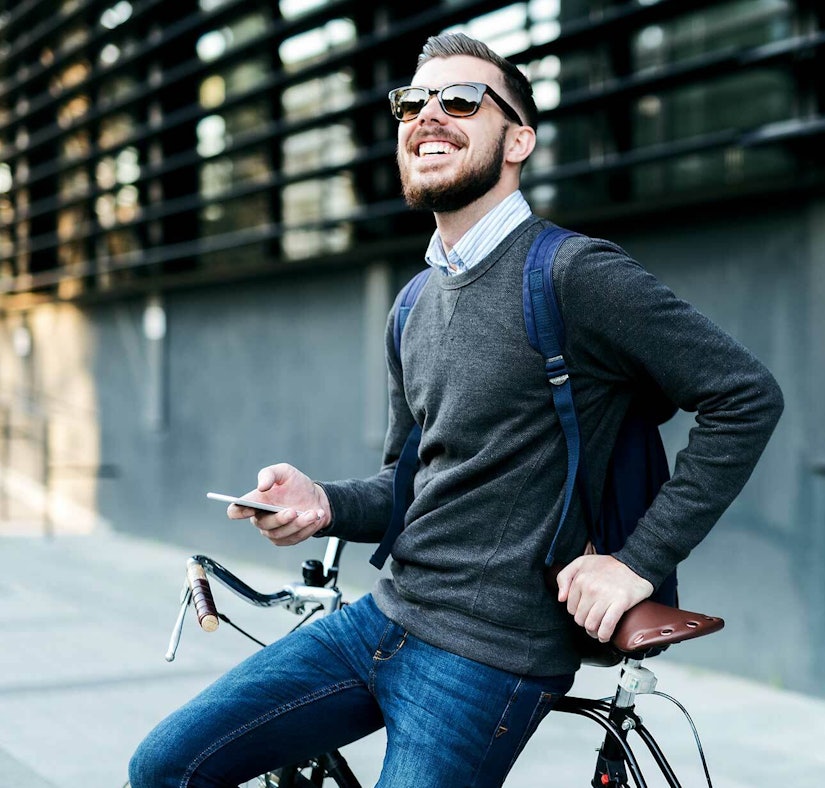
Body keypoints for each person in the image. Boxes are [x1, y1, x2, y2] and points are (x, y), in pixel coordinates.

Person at [129, 33, 782, 787]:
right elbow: (410, 486)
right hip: (382, 618)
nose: (429, 114)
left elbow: (746, 395)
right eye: (413, 101)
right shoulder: (411, 305)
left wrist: (638, 564)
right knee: (165, 766)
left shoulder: (573, 274)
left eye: (462, 100)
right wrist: (321, 505)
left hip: (490, 655)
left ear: (518, 140)